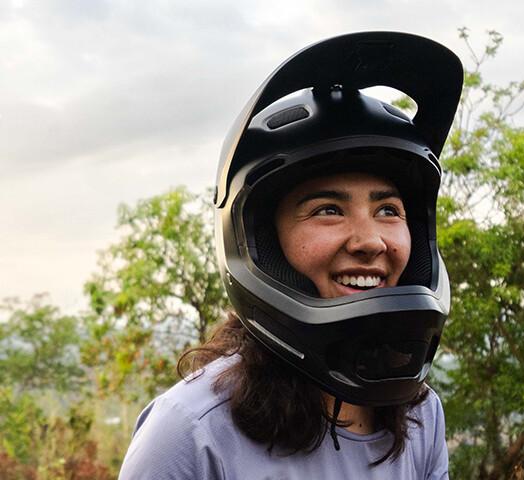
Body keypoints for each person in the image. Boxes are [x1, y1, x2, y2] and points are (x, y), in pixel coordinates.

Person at [117, 31, 462, 479]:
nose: (371, 241)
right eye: (328, 210)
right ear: (262, 242)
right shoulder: (190, 435)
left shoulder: (420, 415)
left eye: (388, 210)